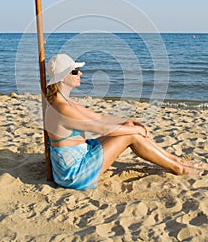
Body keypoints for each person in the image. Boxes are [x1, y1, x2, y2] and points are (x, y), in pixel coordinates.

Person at [45, 54, 204, 190]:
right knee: (131, 136)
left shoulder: (66, 102)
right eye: (75, 71)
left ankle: (178, 161)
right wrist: (135, 131)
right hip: (75, 173)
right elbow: (102, 128)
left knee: (130, 128)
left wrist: (128, 122)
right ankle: (179, 168)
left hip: (82, 152)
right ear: (63, 76)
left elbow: (99, 117)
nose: (80, 73)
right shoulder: (62, 108)